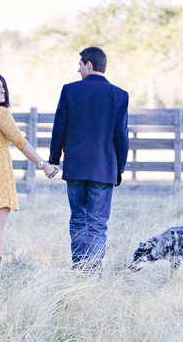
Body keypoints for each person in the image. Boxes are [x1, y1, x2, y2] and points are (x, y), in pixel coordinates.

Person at [0, 72, 58, 274]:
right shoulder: (1, 114)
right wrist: (43, 164)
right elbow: (20, 142)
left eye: (3, 87)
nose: (2, 91)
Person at [49, 46, 129, 274]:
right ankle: (92, 273)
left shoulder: (70, 91)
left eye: (80, 65)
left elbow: (59, 128)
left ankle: (79, 270)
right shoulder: (119, 95)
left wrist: (54, 159)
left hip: (75, 168)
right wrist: (119, 168)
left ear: (89, 64)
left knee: (77, 220)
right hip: (104, 169)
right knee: (96, 224)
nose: (78, 70)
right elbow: (121, 136)